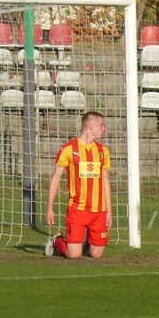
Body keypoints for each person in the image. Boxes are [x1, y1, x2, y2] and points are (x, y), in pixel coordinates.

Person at [44, 111, 112, 259]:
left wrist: (109, 211)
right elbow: (56, 178)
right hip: (77, 209)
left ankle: (88, 242)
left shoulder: (103, 151)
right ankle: (57, 241)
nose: (104, 129)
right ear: (90, 126)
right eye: (102, 125)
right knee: (73, 255)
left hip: (99, 211)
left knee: (96, 254)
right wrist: (49, 207)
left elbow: (105, 180)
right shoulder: (68, 149)